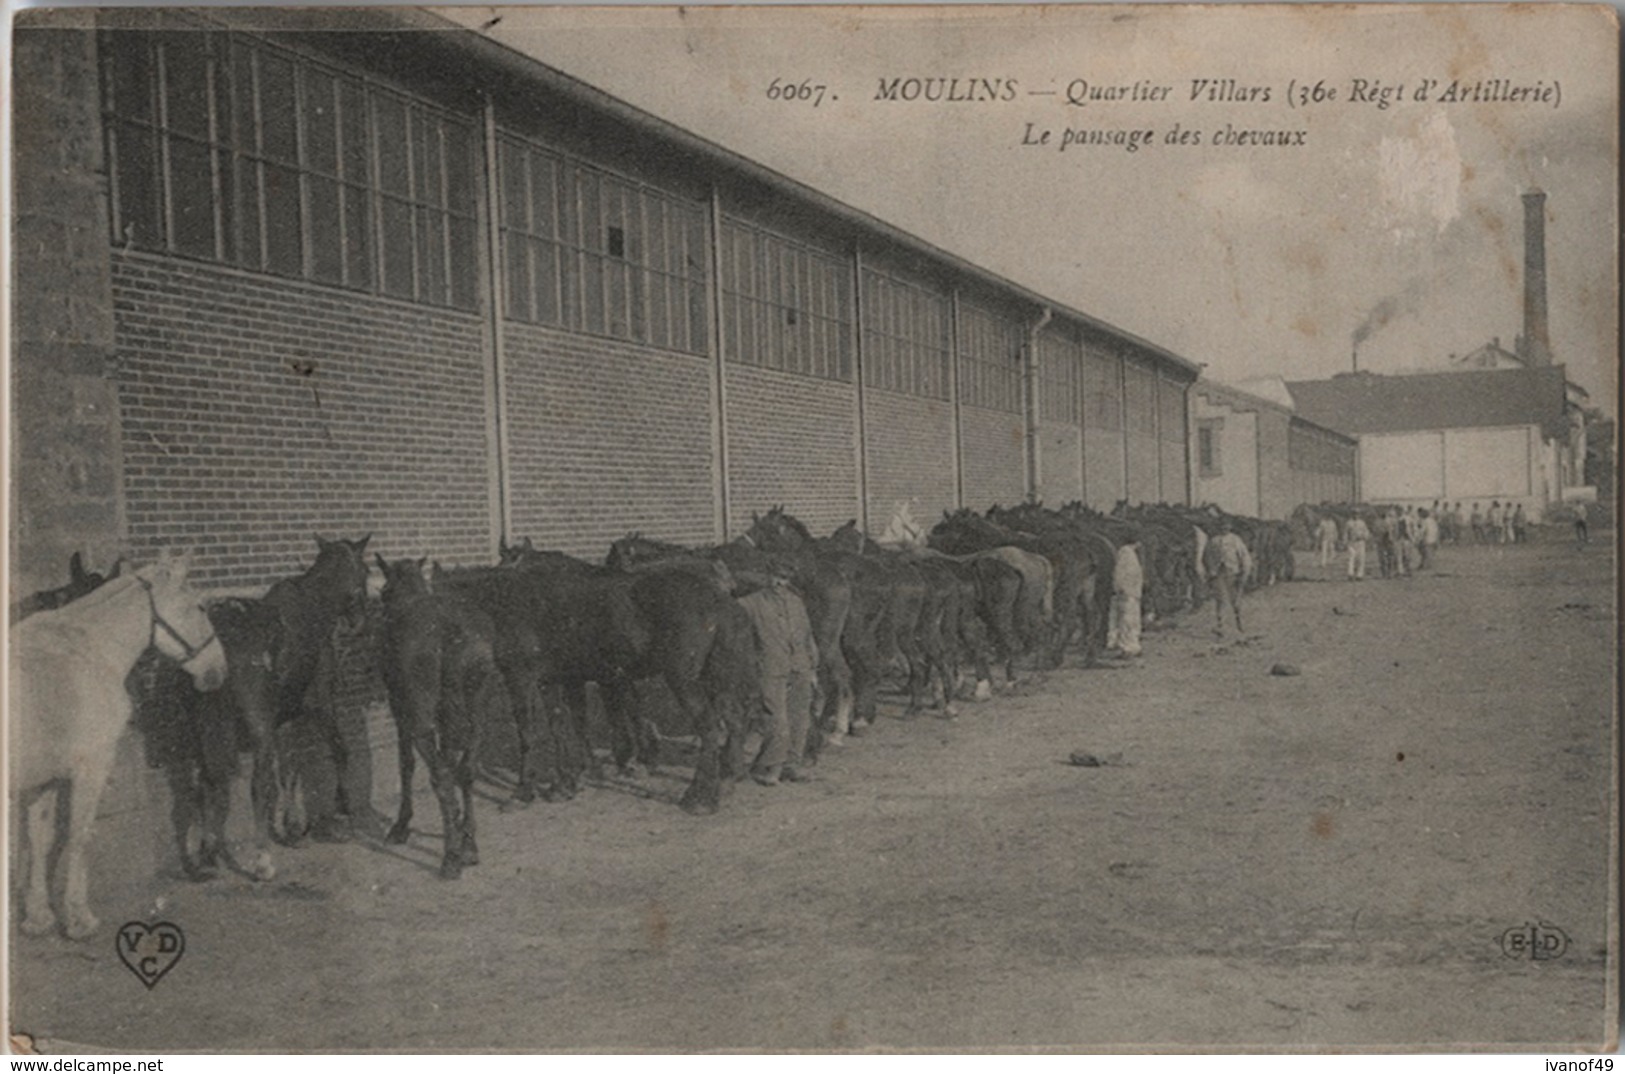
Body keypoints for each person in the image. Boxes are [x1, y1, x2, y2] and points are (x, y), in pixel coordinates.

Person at [735, 575, 819, 785]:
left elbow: (808, 634)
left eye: (783, 579)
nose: (778, 584)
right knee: (776, 718)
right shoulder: (749, 603)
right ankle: (768, 767)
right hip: (770, 668)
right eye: (774, 578)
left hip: (800, 665)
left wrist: (812, 664)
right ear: (764, 578)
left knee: (800, 717)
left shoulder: (796, 602)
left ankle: (792, 764)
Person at [1203, 518, 1252, 638]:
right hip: (1218, 574)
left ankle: (1240, 624)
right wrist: (1210, 570)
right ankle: (1221, 626)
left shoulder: (1235, 540)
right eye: (1222, 526)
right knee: (1220, 600)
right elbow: (1206, 556)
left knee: (1235, 600)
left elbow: (1244, 556)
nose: (1224, 529)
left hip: (1233, 573)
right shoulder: (1213, 541)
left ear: (1230, 528)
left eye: (1226, 526)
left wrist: (1245, 571)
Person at [1106, 530, 1144, 658]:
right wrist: (1121, 588)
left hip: (1128, 592)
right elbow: (1122, 573)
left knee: (1126, 620)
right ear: (1136, 542)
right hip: (1127, 593)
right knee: (1127, 621)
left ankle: (1129, 646)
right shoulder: (1127, 553)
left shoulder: (1127, 553)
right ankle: (1128, 648)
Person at [1345, 513, 1371, 581]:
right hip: (1352, 542)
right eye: (1354, 513)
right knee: (1351, 557)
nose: (1355, 515)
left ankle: (1359, 575)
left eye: (1357, 514)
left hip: (1360, 542)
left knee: (1361, 559)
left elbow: (1366, 531)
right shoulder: (1349, 523)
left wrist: (1365, 537)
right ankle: (1350, 574)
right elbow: (1346, 532)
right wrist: (1345, 541)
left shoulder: (1362, 523)